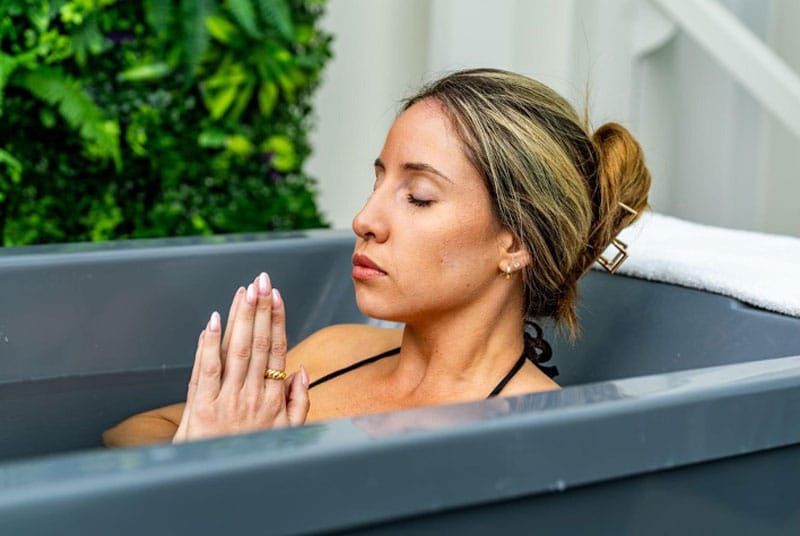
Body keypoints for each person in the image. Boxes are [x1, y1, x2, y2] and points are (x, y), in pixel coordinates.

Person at [102, 68, 650, 447]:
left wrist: (236, 473)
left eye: (418, 197)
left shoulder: (537, 429)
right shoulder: (335, 350)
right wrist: (201, 448)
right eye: (378, 181)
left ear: (515, 243)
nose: (364, 218)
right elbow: (130, 431)